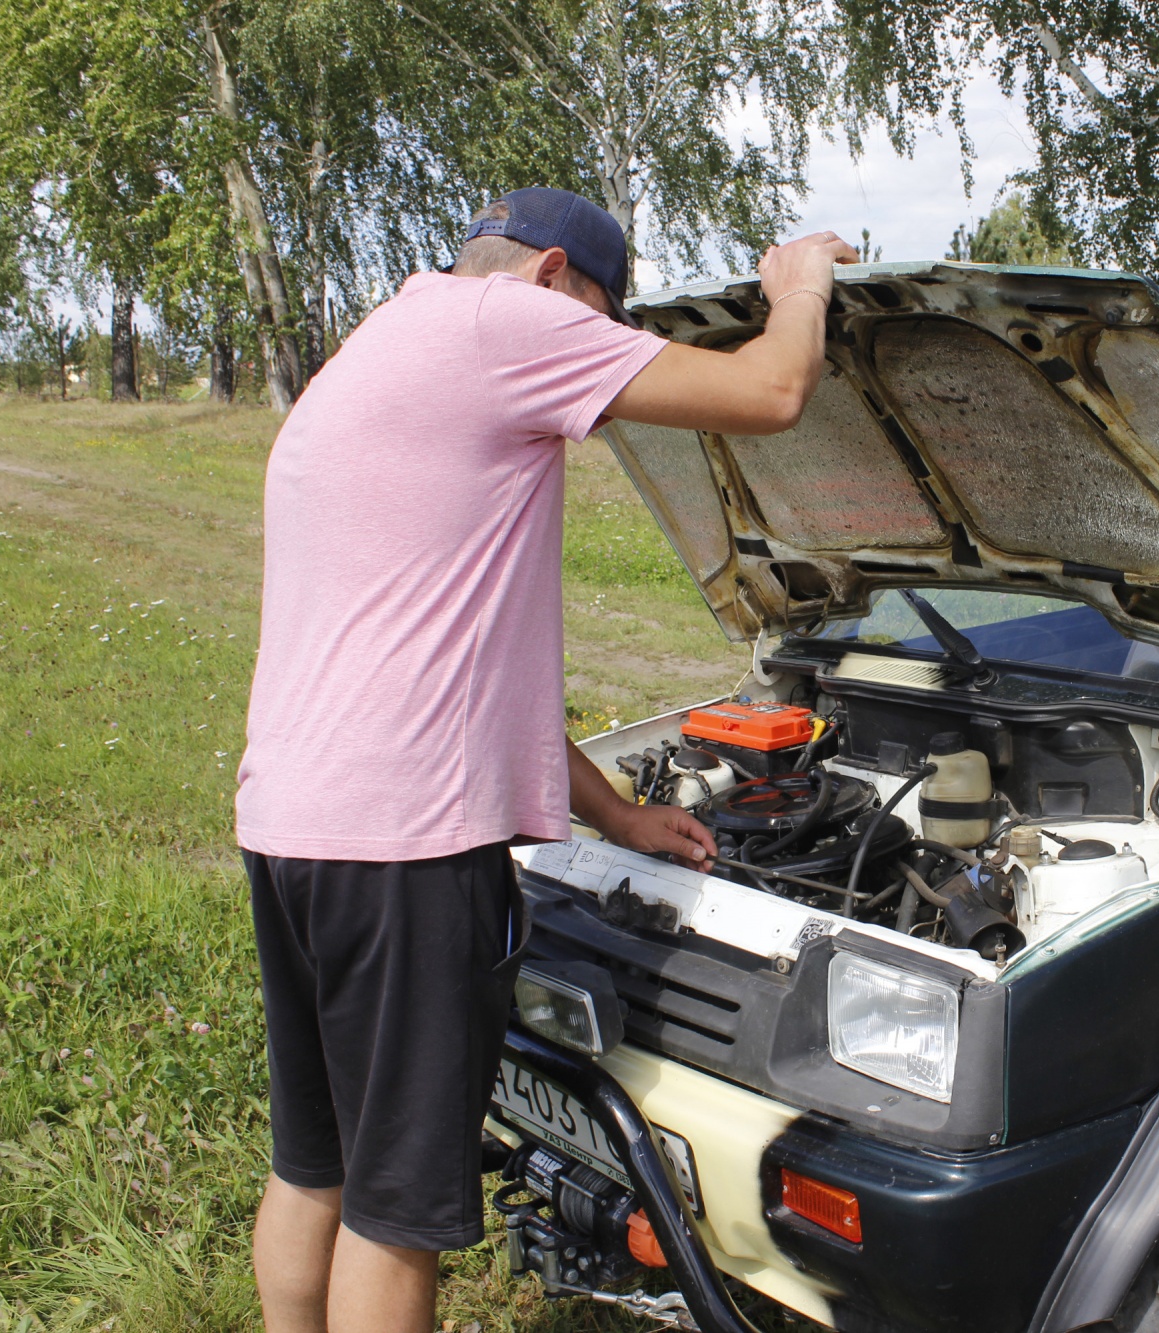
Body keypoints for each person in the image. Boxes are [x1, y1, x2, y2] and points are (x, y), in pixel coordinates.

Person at [234, 185, 856, 1333]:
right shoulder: (513, 324)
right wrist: (798, 284)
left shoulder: (389, 338)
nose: (601, 378)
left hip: (291, 827)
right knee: (395, 1209)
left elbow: (454, 667)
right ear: (556, 278)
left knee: (313, 1160)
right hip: (403, 852)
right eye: (603, 328)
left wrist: (615, 816)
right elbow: (773, 390)